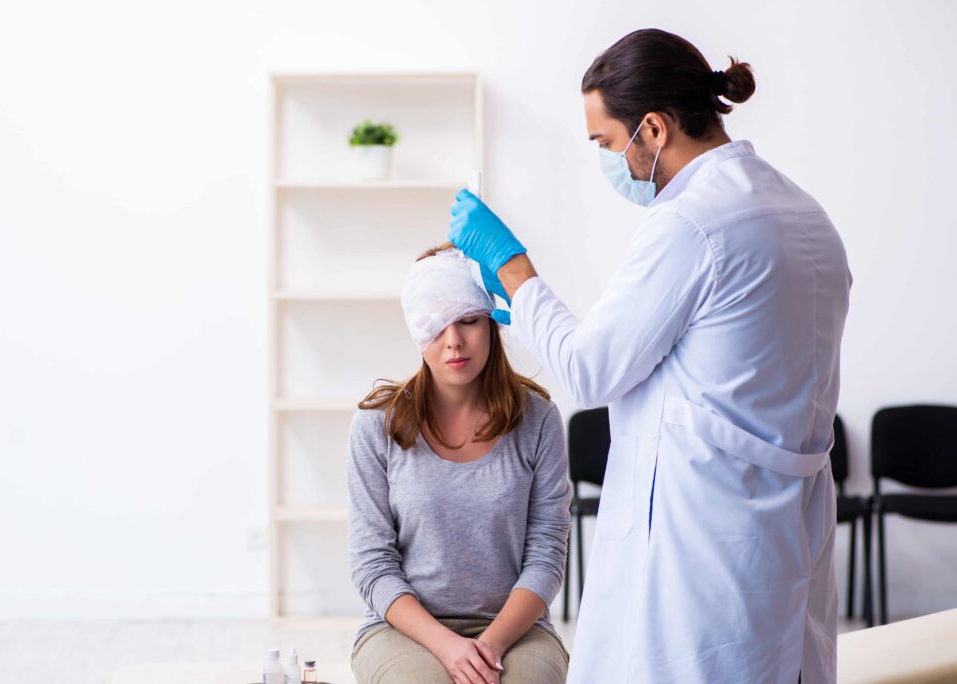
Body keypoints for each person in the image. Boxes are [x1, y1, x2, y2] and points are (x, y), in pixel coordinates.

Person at [448, 28, 852, 684]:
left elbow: (590, 368)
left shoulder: (689, 222)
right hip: (784, 522)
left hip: (704, 532)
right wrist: (519, 312)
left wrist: (512, 268)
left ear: (654, 129)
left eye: (607, 143)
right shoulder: (802, 211)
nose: (609, 160)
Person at [347, 244, 573, 684]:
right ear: (416, 331)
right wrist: (448, 647)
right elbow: (372, 564)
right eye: (435, 325)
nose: (454, 341)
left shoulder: (539, 420)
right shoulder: (376, 425)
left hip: (517, 629)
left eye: (468, 320)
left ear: (491, 322)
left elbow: (547, 555)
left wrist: (489, 646)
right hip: (402, 628)